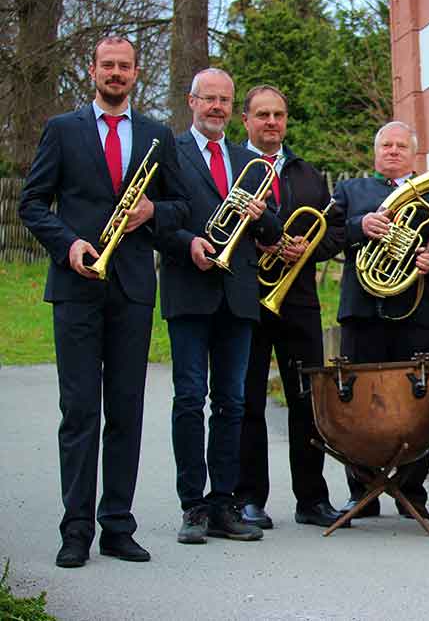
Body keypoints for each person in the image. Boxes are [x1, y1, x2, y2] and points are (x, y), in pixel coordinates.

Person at [19, 35, 189, 567]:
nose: (116, 73)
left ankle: (117, 524)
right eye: (107, 65)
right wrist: (68, 243)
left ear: (137, 73)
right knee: (78, 411)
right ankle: (76, 529)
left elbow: (181, 206)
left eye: (125, 66)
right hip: (76, 286)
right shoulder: (62, 130)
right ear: (92, 70)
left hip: (133, 289)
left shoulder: (158, 135)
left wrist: (151, 215)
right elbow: (31, 203)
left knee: (125, 410)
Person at [159, 68, 282, 545]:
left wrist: (262, 215)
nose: (216, 107)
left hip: (238, 295)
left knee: (232, 402)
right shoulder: (170, 151)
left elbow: (272, 231)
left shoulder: (243, 158)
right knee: (190, 399)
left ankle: (224, 502)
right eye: (208, 99)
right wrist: (188, 242)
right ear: (191, 102)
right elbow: (156, 218)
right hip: (190, 289)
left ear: (232, 108)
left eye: (224, 100)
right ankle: (193, 504)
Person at [333, 121, 429, 522]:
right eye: (386, 145)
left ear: (414, 154)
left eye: (401, 146)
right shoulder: (351, 191)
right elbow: (325, 238)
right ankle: (362, 490)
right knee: (358, 403)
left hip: (417, 313)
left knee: (419, 402)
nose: (393, 151)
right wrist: (359, 227)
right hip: (362, 312)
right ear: (375, 151)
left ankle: (411, 490)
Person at [233, 85, 348, 531]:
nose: (272, 122)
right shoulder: (234, 167)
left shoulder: (305, 173)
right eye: (262, 114)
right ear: (246, 120)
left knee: (306, 401)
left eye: (279, 114)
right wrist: (261, 238)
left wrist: (308, 247)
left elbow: (334, 231)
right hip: (247, 299)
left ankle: (312, 499)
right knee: (247, 402)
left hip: (296, 300)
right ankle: (249, 499)